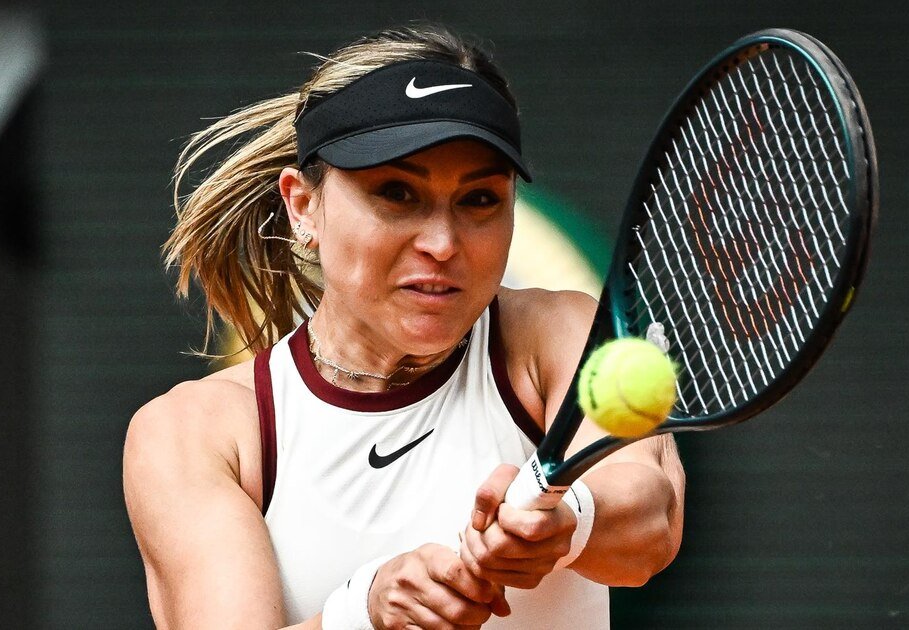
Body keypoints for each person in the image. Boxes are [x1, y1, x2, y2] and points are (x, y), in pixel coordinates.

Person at [123, 24, 686, 629]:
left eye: (479, 199)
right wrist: (364, 612)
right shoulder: (197, 432)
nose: (442, 243)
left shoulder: (559, 333)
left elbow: (650, 518)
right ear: (303, 205)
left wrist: (568, 520)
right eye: (397, 193)